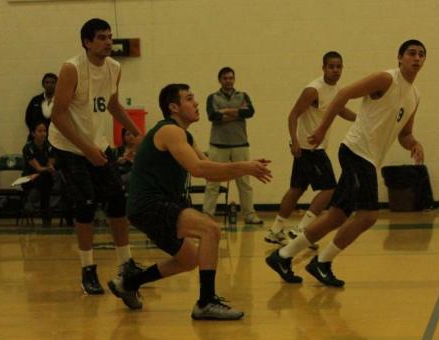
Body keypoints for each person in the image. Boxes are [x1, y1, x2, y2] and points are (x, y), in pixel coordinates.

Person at [266, 39, 427, 286]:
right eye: (411, 53)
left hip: (369, 158)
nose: (416, 58)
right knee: (369, 215)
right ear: (400, 58)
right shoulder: (386, 79)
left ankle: (284, 255)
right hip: (356, 151)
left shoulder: (415, 96)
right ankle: (321, 262)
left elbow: (404, 135)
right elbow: (343, 94)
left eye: (421, 55)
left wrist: (414, 144)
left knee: (337, 215)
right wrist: (321, 129)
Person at [107, 83, 272, 320]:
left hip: (154, 206)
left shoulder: (185, 135)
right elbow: (197, 168)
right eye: (189, 99)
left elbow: (209, 171)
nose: (195, 103)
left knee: (189, 259)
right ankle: (206, 302)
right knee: (210, 230)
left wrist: (245, 169)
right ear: (173, 107)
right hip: (150, 204)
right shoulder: (169, 131)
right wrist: (243, 166)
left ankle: (129, 283)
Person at [49, 18, 144, 295]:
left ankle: (126, 263)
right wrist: (87, 150)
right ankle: (88, 269)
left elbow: (113, 104)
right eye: (101, 37)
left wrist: (138, 133)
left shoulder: (114, 68)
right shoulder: (72, 68)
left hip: (97, 144)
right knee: (86, 205)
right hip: (69, 146)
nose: (108, 42)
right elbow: (57, 115)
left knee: (117, 200)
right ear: (87, 42)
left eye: (109, 36)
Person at [265, 51, 356, 247]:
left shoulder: (338, 91)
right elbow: (293, 115)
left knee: (297, 189)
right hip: (310, 149)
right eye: (331, 66)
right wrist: (294, 141)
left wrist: (362, 119)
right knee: (330, 189)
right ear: (323, 68)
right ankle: (302, 230)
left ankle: (275, 231)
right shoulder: (313, 90)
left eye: (339, 66)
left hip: (313, 148)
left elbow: (341, 110)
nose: (335, 70)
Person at [202, 67, 263, 224]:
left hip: (240, 144)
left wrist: (226, 111)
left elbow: (249, 112)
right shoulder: (212, 97)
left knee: (244, 182)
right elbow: (212, 116)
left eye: (231, 78)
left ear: (234, 79)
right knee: (213, 183)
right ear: (220, 80)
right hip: (217, 145)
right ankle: (207, 216)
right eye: (225, 78)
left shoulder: (243, 96)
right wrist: (236, 114)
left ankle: (249, 214)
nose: (228, 81)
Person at [22, 120, 55, 226]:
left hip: (43, 179)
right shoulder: (28, 148)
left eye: (44, 131)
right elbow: (38, 167)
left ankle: (31, 201)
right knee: (44, 181)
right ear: (33, 133)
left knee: (44, 180)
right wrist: (46, 169)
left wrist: (48, 168)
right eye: (39, 131)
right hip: (29, 178)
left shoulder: (50, 147)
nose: (43, 133)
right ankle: (46, 219)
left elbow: (50, 165)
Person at [25, 73, 57, 141]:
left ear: (57, 84)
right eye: (47, 82)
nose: (49, 85)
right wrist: (35, 132)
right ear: (43, 84)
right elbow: (28, 118)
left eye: (52, 82)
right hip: (37, 139)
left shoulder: (61, 101)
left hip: (55, 138)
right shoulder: (35, 100)